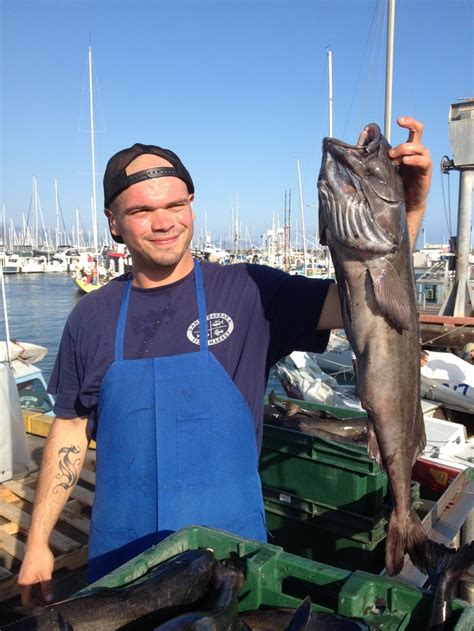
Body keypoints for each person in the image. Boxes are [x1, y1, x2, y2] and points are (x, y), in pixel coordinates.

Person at [18, 116, 432, 606]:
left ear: (192, 206)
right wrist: (39, 543)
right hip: (120, 560)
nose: (164, 221)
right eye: (142, 211)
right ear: (113, 223)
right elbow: (69, 429)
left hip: (233, 560)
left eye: (175, 204)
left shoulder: (250, 292)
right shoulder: (90, 316)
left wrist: (406, 209)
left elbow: (370, 305)